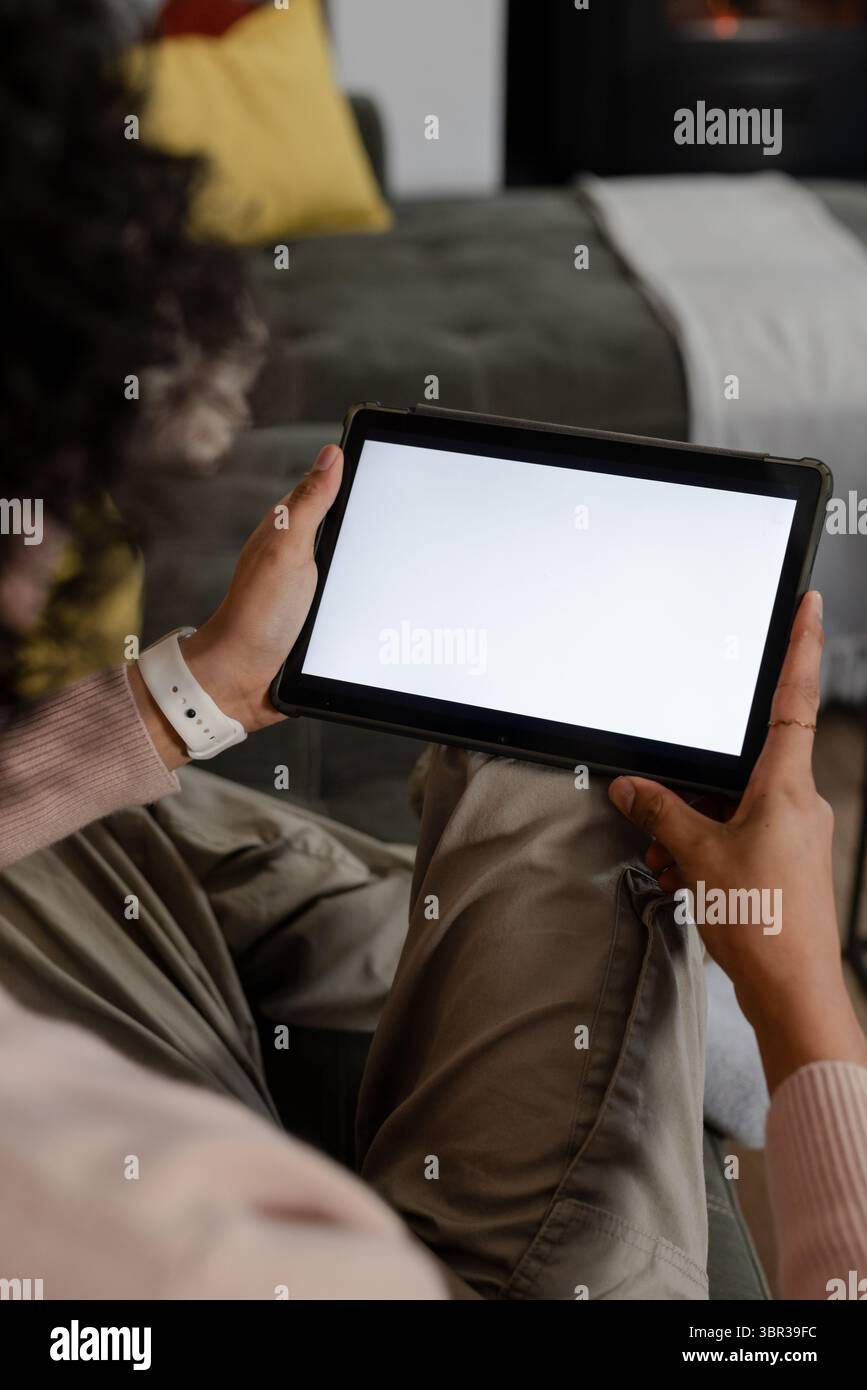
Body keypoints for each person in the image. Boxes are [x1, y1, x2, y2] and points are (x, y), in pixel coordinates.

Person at [1, 0, 865, 1301]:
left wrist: (194, 692)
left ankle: (684, 1003)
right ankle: (713, 1004)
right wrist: (806, 993)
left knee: (136, 820)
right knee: (569, 768)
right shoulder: (165, 1235)